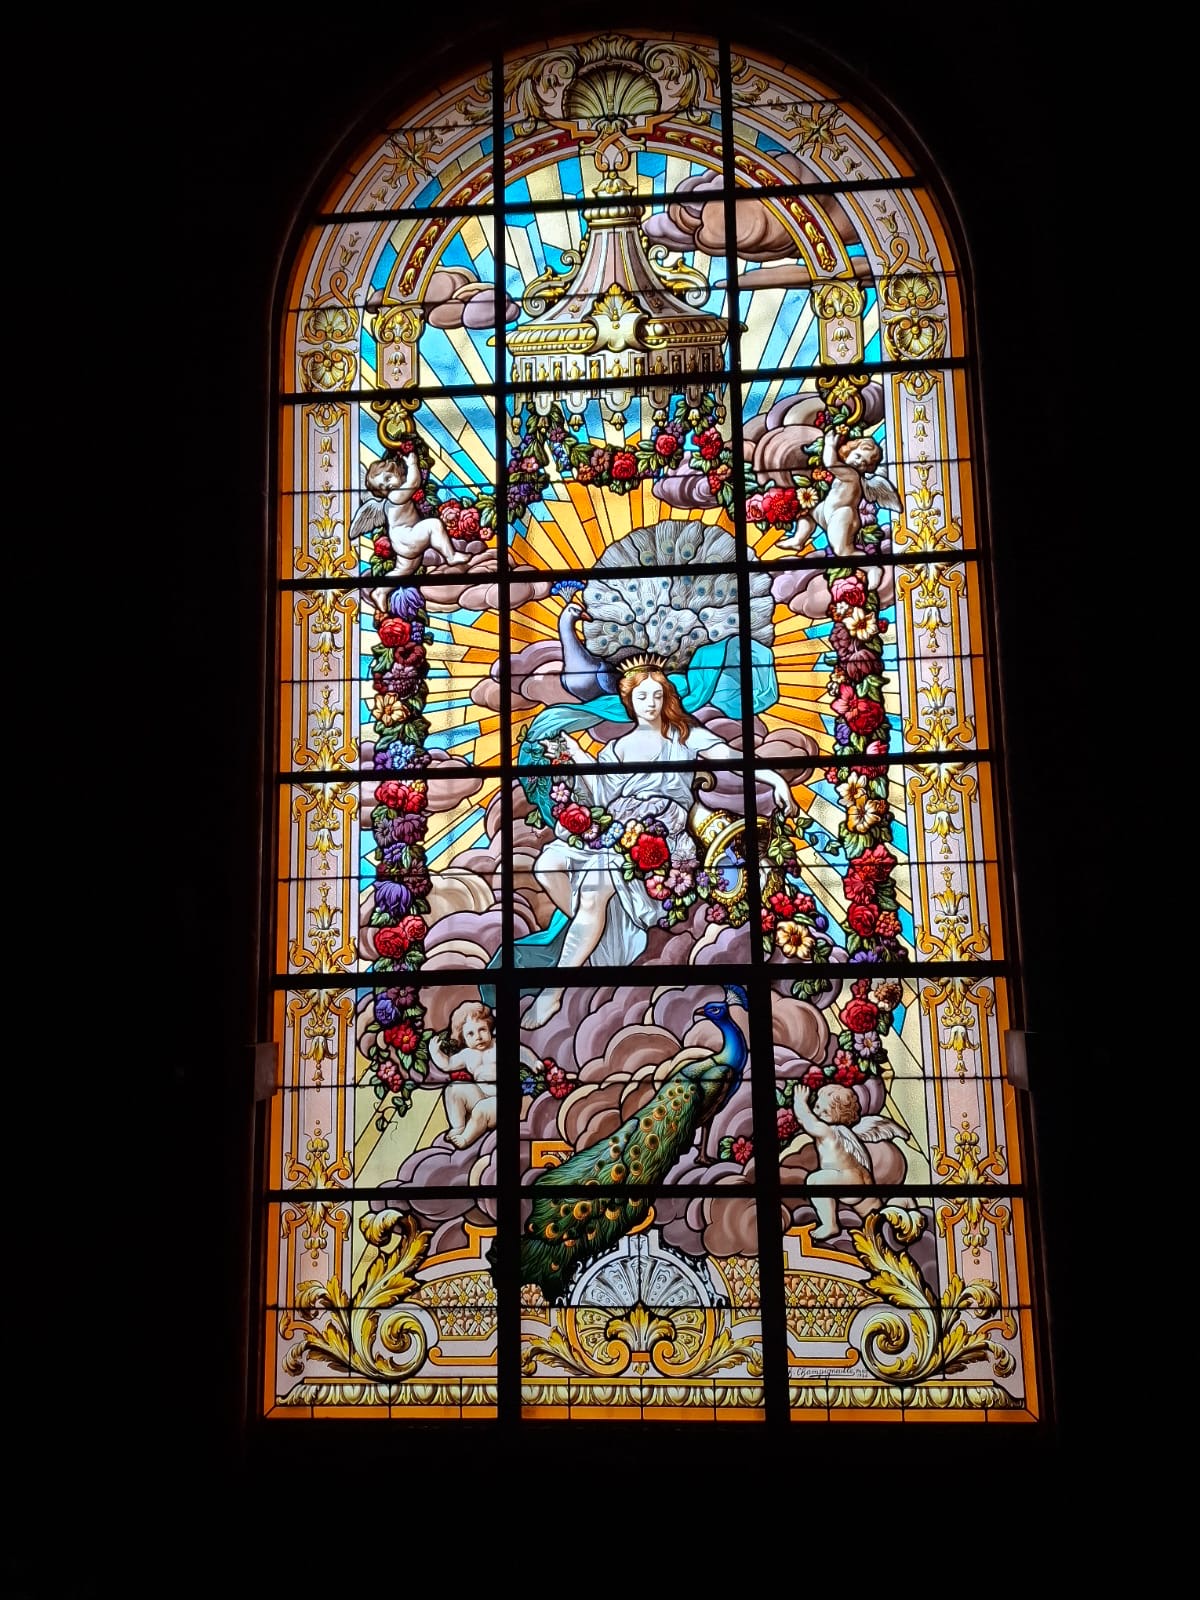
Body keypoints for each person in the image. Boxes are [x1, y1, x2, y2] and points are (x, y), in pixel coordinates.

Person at [521, 662, 797, 1028]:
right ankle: (594, 935)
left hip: (661, 837)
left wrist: (775, 779)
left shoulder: (684, 736)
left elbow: (731, 758)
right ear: (629, 701)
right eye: (642, 696)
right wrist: (575, 754)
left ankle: (554, 990)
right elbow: (603, 796)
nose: (650, 703)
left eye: (657, 695)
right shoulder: (617, 748)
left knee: (592, 890)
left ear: (667, 698)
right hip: (617, 830)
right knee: (546, 865)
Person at [791, 1081, 908, 1240]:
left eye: (825, 1112)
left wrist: (799, 1101)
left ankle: (830, 1225)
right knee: (875, 1215)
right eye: (817, 1107)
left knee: (814, 1181)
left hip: (846, 1178)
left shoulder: (827, 1131)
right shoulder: (847, 1132)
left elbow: (806, 1120)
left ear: (838, 1116)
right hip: (862, 1177)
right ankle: (900, 1207)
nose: (817, 1113)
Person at [776, 430, 900, 556]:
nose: (859, 462)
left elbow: (830, 464)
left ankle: (869, 565)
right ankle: (798, 540)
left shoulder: (852, 474)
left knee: (843, 552)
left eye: (864, 463)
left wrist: (829, 445)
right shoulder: (846, 472)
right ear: (848, 451)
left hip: (842, 515)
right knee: (807, 513)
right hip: (826, 511)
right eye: (857, 456)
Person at [352, 449, 469, 574]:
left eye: (388, 478)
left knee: (404, 570)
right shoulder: (395, 496)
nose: (387, 485)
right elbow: (414, 483)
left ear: (397, 472)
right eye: (381, 487)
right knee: (434, 525)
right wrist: (412, 464)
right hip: (407, 537)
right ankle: (451, 556)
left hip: (401, 542)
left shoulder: (389, 501)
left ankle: (381, 587)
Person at [429, 999, 497, 1148]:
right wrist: (435, 1053)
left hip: (499, 1101)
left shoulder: (497, 1047)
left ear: (489, 1027)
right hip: (480, 1096)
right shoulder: (467, 1054)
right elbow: (447, 1064)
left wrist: (534, 1062)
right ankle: (459, 1126)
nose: (478, 1036)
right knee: (454, 1088)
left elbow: (521, 1053)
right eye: (470, 1033)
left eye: (482, 1029)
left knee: (481, 1109)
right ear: (463, 1038)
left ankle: (465, 1139)